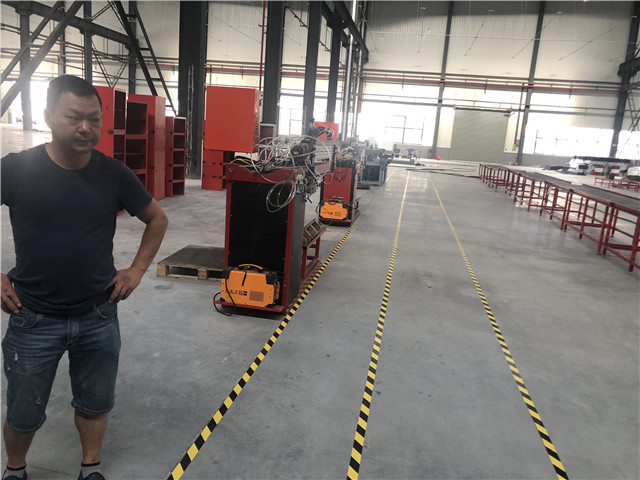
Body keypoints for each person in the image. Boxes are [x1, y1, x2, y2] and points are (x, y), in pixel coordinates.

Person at [1, 75, 168, 480]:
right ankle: (15, 470)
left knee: (95, 403)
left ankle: (90, 468)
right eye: (74, 118)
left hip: (98, 314)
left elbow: (157, 219)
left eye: (94, 119)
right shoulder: (17, 169)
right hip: (33, 316)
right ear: (48, 117)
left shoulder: (113, 173)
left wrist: (137, 270)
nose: (85, 128)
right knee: (23, 409)